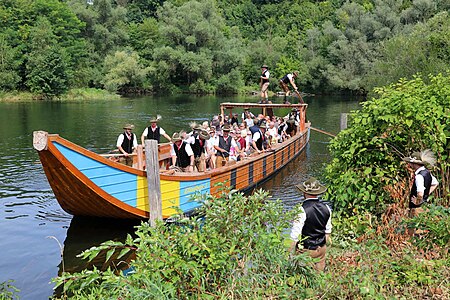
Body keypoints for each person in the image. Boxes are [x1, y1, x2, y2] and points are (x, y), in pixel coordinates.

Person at [289, 177, 332, 272]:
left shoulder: (301, 210)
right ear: (317, 193)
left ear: (304, 193)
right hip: (321, 248)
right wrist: (321, 244)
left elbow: (294, 236)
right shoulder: (327, 208)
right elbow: (327, 232)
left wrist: (290, 254)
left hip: (307, 249)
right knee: (319, 272)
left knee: (307, 273)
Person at [402, 150, 439, 219]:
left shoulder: (419, 176)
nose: (409, 164)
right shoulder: (427, 172)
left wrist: (418, 202)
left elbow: (420, 193)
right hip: (424, 208)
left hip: (416, 209)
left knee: (413, 228)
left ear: (414, 164)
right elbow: (435, 183)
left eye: (410, 163)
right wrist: (426, 194)